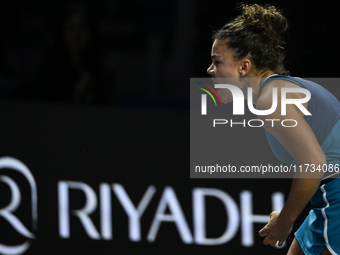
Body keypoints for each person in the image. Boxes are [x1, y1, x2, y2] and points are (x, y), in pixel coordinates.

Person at [206, 4, 340, 255]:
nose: (209, 70)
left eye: (217, 62)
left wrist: (287, 219)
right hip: (325, 202)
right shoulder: (282, 90)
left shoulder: (271, 99)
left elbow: (313, 162)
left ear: (243, 67)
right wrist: (289, 214)